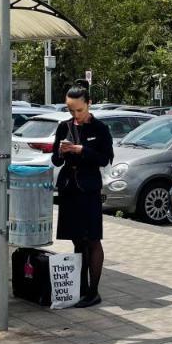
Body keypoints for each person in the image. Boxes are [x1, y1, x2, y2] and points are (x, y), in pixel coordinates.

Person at [51, 86, 114, 307]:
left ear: (88, 103)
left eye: (78, 109)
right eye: (70, 110)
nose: (75, 114)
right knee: (78, 240)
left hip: (89, 190)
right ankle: (80, 287)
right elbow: (56, 161)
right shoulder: (63, 127)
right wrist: (61, 151)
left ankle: (93, 291)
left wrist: (82, 150)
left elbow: (105, 158)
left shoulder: (100, 128)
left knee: (92, 239)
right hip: (70, 189)